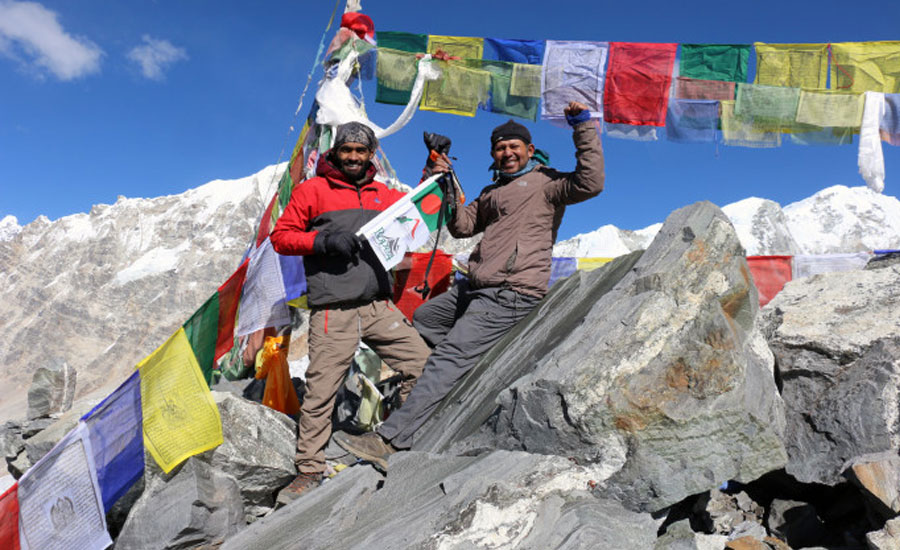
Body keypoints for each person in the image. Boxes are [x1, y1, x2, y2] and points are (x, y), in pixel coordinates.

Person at [334, 101, 605, 469]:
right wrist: (443, 179)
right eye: (500, 147)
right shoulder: (493, 191)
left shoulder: (548, 184)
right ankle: (457, 368)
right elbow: (461, 225)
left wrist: (582, 126)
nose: (507, 153)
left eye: (514, 146)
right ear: (493, 153)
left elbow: (591, 182)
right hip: (475, 288)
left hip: (512, 291)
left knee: (448, 357)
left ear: (528, 149)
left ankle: (391, 440)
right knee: (427, 318)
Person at [269, 121, 431, 500]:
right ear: (336, 151)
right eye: (348, 150)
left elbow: (415, 211)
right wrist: (323, 241)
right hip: (333, 310)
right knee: (322, 392)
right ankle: (309, 470)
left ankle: (394, 438)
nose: (354, 157)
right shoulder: (313, 190)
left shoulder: (384, 194)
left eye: (361, 151)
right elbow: (281, 237)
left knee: (424, 366)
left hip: (378, 304)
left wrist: (433, 170)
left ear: (371, 154)